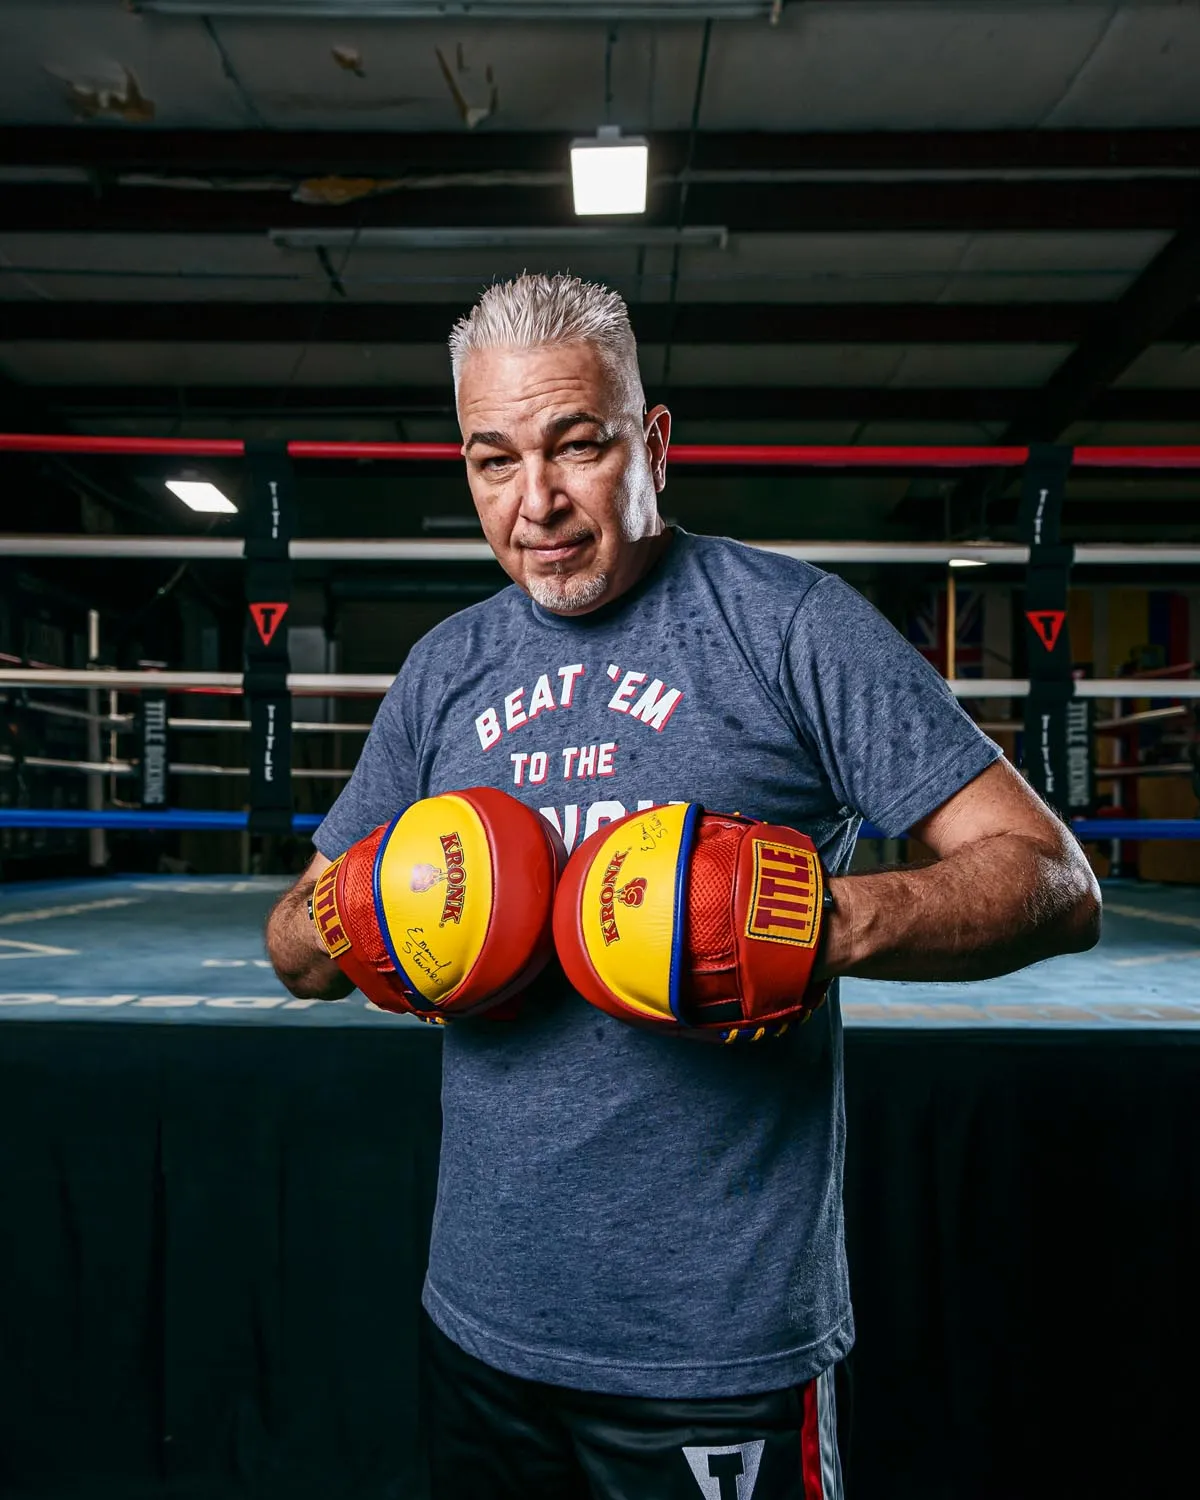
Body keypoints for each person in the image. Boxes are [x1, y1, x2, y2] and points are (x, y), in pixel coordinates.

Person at [266, 273, 1101, 1499]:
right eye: (493, 460)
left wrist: (819, 923)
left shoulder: (789, 626)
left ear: (653, 442)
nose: (536, 502)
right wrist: (356, 917)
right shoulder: (446, 669)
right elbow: (293, 952)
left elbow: (1055, 878)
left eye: (577, 445)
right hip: (482, 1326)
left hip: (720, 1351)